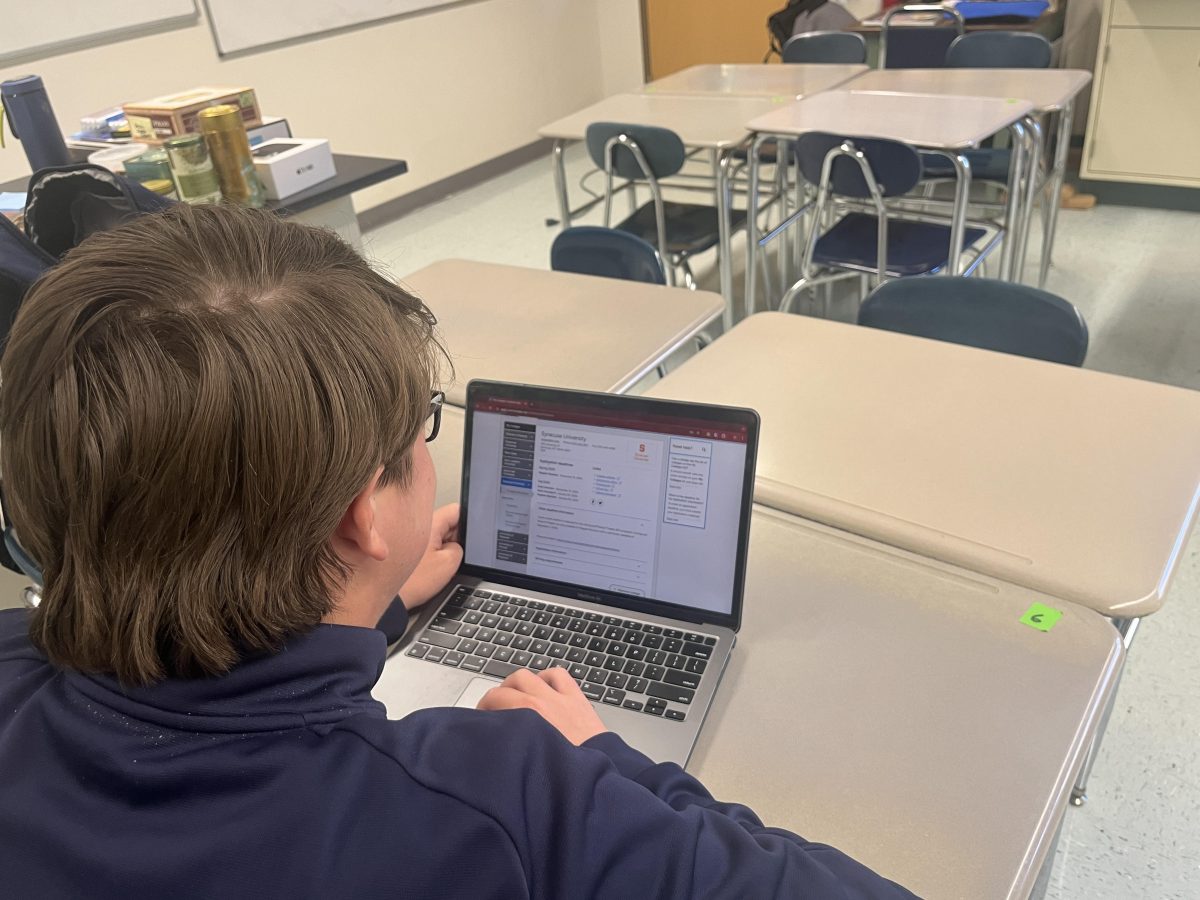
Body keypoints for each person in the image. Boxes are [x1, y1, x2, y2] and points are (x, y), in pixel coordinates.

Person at [0, 204, 915, 898]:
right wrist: (598, 757)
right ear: (364, 514)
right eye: (424, 428)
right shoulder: (510, 798)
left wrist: (380, 597)